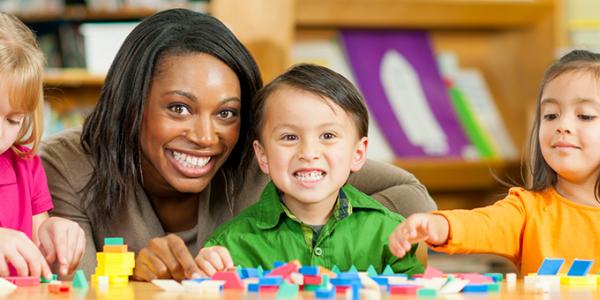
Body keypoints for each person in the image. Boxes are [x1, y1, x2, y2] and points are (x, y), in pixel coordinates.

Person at [40, 9, 436, 281]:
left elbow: (412, 198)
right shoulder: (69, 164)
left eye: (227, 113)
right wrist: (135, 277)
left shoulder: (271, 157)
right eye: (179, 108)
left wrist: (321, 235)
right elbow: (76, 283)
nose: (205, 136)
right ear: (132, 103)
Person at [196, 64, 424, 275]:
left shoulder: (392, 235)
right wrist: (210, 279)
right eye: (289, 137)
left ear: (358, 153)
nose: (308, 152)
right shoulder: (229, 246)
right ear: (263, 155)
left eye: (327, 136)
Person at [388, 49, 600, 275]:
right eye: (550, 115)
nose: (562, 125)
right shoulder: (525, 209)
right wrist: (439, 225)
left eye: (585, 115)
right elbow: (482, 224)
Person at [0, 12, 85, 278]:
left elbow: (38, 247)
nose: (1, 133)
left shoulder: (26, 165)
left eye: (14, 120)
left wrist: (53, 234)